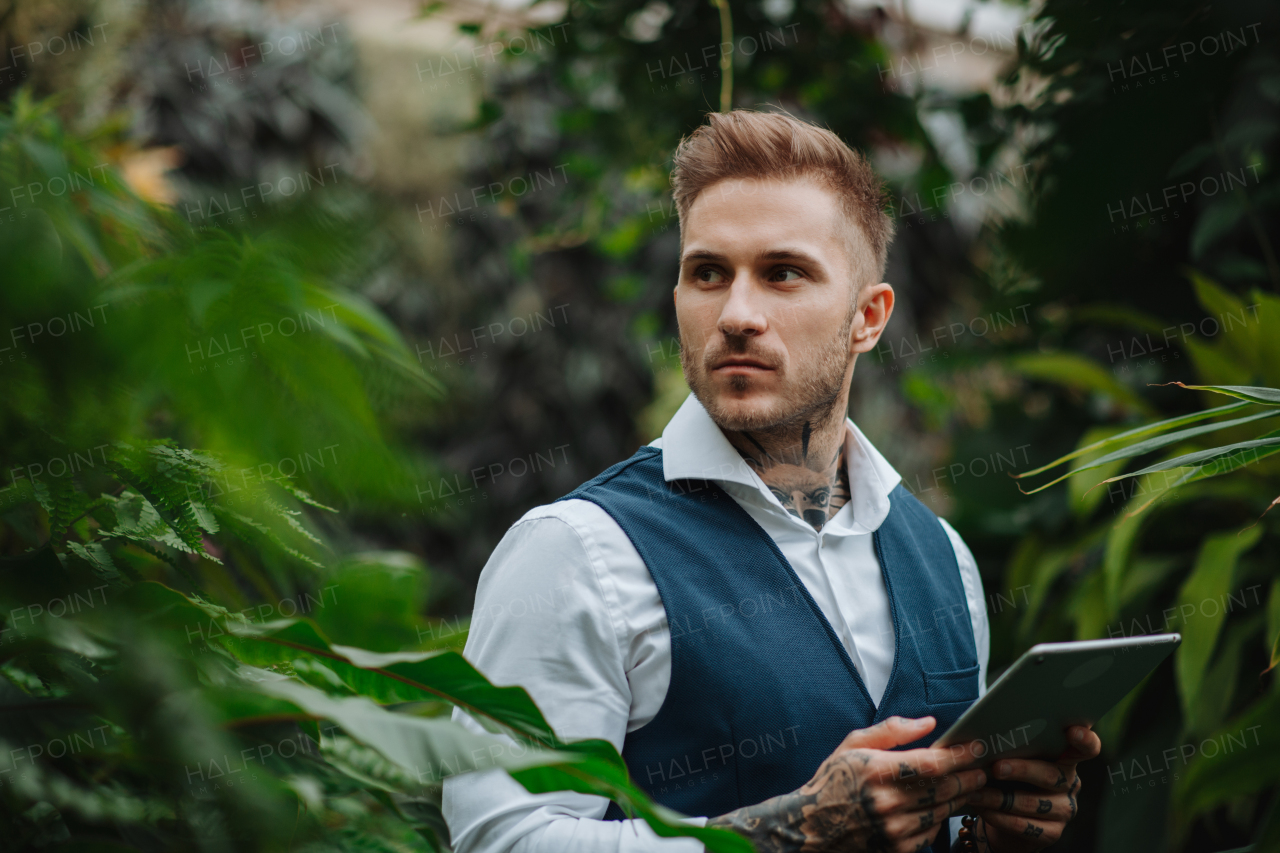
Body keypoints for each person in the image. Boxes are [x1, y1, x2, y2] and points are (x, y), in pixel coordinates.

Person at [442, 109, 1099, 853]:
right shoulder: (575, 553)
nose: (736, 314)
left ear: (868, 316)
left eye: (783, 273)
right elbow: (501, 840)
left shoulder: (944, 557)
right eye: (708, 273)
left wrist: (995, 834)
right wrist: (785, 834)